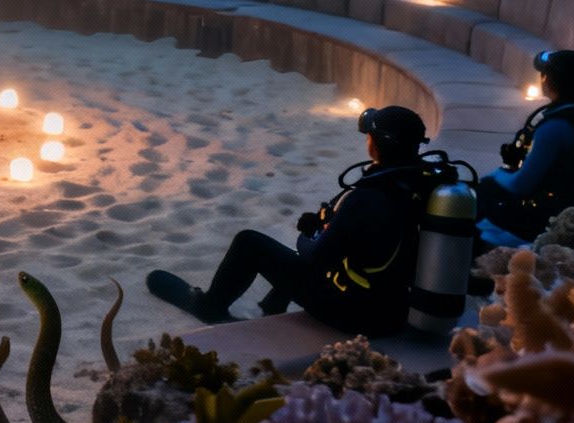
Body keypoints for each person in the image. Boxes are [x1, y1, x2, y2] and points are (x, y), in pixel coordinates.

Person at [146, 105, 434, 336]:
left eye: (369, 135)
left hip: (355, 316)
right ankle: (272, 306)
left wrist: (307, 235)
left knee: (250, 243)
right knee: (301, 254)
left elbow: (316, 258)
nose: (366, 139)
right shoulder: (421, 185)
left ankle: (209, 306)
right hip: (394, 310)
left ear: (378, 145)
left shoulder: (368, 197)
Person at [477, 49, 574, 245]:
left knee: (484, 193)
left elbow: (521, 184)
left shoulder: (556, 126)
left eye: (543, 74)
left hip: (555, 216)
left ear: (547, 80)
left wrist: (494, 177)